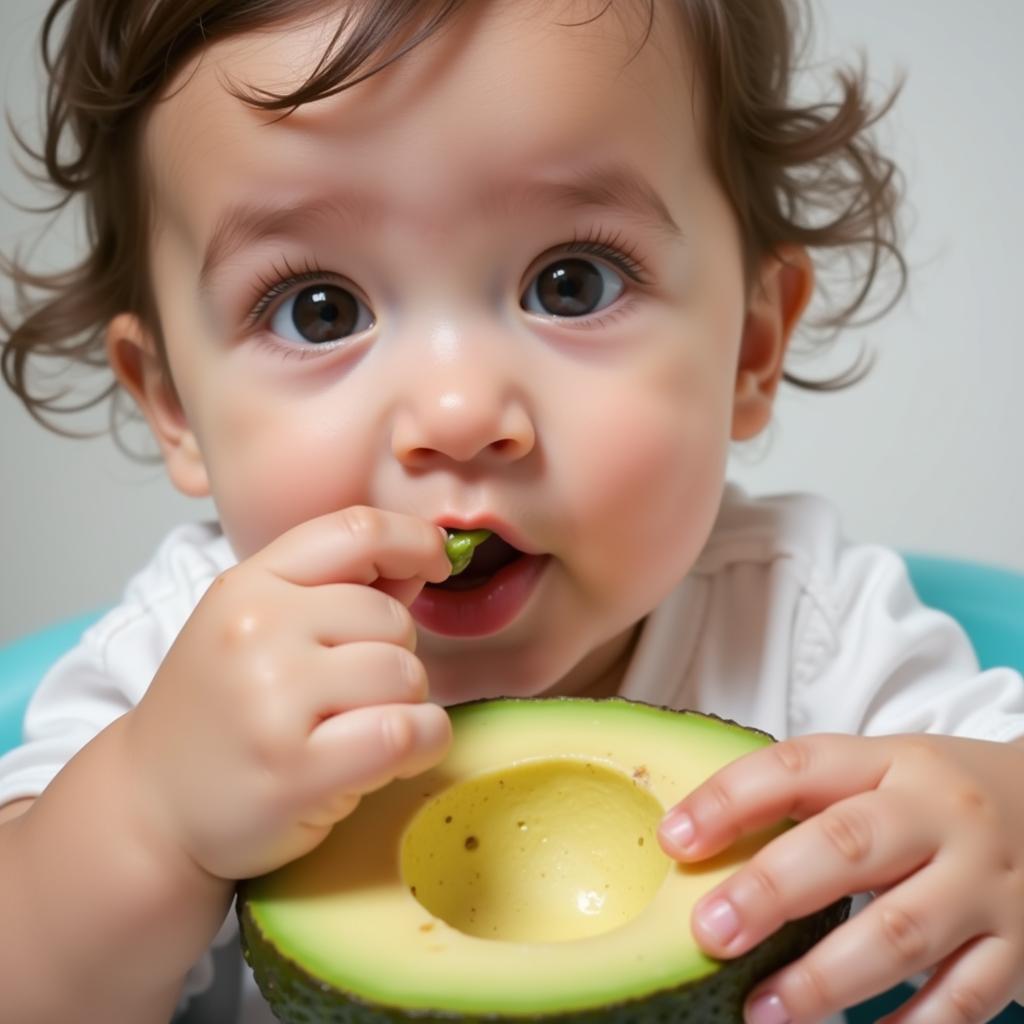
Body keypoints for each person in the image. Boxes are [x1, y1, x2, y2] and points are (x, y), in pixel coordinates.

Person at [1, 1, 1023, 1022]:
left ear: (750, 348)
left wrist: (1001, 829)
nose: (457, 414)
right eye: (319, 308)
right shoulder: (173, 671)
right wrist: (150, 819)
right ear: (174, 400)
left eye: (570, 284)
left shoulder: (811, 632)